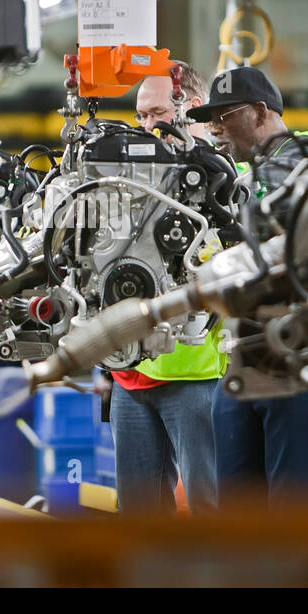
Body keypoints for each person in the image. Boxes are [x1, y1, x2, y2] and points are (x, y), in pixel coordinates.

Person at [185, 66, 308, 509]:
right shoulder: (240, 180)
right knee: (237, 509)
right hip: (245, 353)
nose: (213, 127)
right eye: (209, 117)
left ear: (258, 112)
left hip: (298, 356)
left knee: (294, 509)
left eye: (224, 115)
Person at [106, 61, 222, 516]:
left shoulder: (217, 178)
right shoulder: (126, 178)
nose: (146, 126)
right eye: (140, 116)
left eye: (156, 113)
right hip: (129, 375)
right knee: (137, 515)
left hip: (193, 375)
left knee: (208, 506)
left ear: (190, 107)